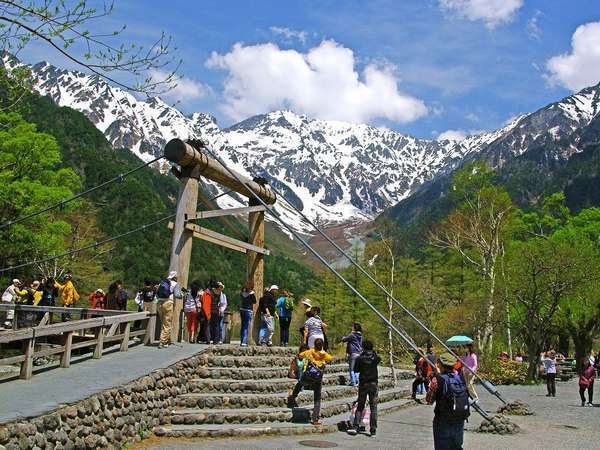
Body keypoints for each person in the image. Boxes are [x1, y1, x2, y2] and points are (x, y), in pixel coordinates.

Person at [426, 352, 470, 450]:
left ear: (440, 364)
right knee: (457, 447)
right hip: (459, 418)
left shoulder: (437, 380)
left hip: (442, 420)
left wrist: (435, 377)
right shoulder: (460, 378)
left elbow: (429, 400)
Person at [286, 338, 333, 426]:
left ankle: (293, 396)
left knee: (300, 384)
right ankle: (315, 419)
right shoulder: (324, 354)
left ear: (314, 344)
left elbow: (299, 356)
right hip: (318, 378)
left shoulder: (310, 351)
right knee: (317, 397)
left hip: (308, 375)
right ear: (322, 345)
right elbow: (330, 358)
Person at [347, 339, 380, 437]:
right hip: (373, 384)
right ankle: (373, 430)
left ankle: (356, 426)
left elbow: (356, 370)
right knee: (373, 407)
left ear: (363, 347)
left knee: (360, 405)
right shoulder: (375, 358)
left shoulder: (360, 358)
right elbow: (378, 358)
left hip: (363, 384)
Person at [156, 271, 179, 348]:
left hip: (159, 303)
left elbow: (157, 293)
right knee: (167, 324)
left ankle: (167, 341)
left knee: (164, 323)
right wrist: (183, 294)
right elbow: (177, 295)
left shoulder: (162, 282)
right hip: (168, 303)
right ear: (175, 277)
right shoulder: (175, 284)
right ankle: (162, 342)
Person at [239, 281, 256, 347]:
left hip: (242, 310)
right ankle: (244, 342)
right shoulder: (251, 294)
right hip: (248, 310)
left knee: (243, 326)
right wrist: (253, 293)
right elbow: (254, 301)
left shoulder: (242, 293)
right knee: (246, 326)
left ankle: (241, 340)